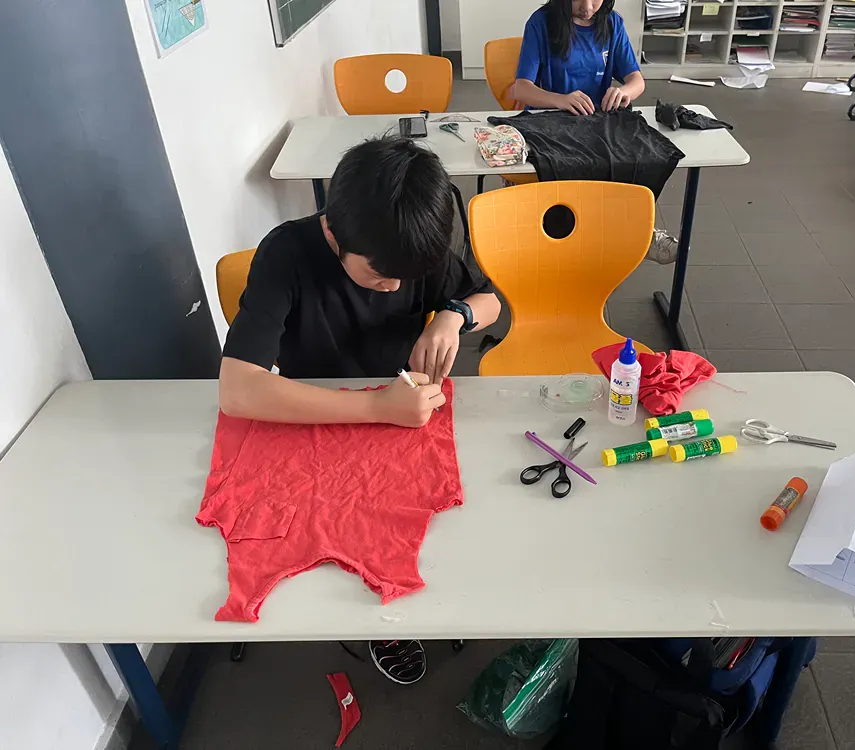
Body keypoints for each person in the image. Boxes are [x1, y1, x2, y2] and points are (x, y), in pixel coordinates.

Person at [219, 136, 501, 684]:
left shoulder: (415, 241)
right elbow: (237, 390)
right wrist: (377, 408)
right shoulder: (287, 253)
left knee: (448, 521)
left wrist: (453, 316)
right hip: (317, 416)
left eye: (405, 277)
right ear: (332, 233)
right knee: (343, 530)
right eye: (378, 276)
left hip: (404, 410)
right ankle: (383, 618)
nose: (394, 287)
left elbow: (492, 299)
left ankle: (415, 599)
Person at [510, 0, 679, 265]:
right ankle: (578, 238)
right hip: (552, 121)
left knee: (638, 158)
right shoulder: (541, 22)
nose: (588, 7)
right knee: (571, 165)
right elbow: (520, 89)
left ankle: (637, 232)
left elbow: (636, 81)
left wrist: (623, 92)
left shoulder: (612, 23)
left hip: (597, 120)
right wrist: (560, 99)